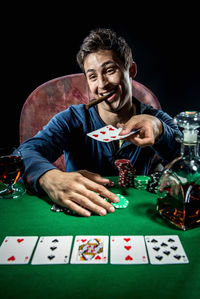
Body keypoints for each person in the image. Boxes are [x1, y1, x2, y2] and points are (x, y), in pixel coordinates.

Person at [17, 28, 181, 217]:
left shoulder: (156, 120)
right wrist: (49, 177)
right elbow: (22, 154)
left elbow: (194, 167)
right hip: (81, 217)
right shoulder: (70, 119)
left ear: (131, 70)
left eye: (110, 70)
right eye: (93, 76)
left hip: (137, 215)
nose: (102, 84)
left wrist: (161, 133)